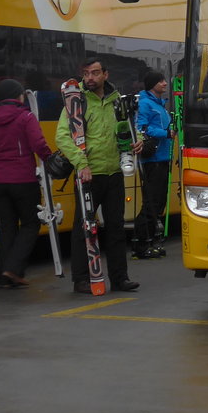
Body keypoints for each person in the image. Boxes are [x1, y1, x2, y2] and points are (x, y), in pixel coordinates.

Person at [55, 58, 142, 294]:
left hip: (114, 173)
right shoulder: (77, 102)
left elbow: (129, 127)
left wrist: (137, 141)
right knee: (83, 228)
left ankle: (120, 278)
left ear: (105, 74)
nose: (90, 78)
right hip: (88, 175)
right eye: (86, 74)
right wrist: (81, 164)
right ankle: (82, 279)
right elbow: (62, 137)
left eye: (94, 73)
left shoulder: (117, 100)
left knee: (115, 227)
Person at [0, 78, 54, 288]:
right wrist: (50, 160)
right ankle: (13, 268)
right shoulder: (26, 117)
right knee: (30, 223)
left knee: (7, 227)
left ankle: (4, 276)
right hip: (22, 179)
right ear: (19, 96)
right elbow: (38, 144)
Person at [132, 69, 173, 259]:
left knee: (159, 203)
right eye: (161, 81)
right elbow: (141, 127)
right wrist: (165, 133)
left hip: (163, 158)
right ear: (152, 84)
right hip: (153, 160)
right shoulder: (146, 104)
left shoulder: (160, 105)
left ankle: (151, 242)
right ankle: (141, 245)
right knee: (151, 203)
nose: (165, 83)